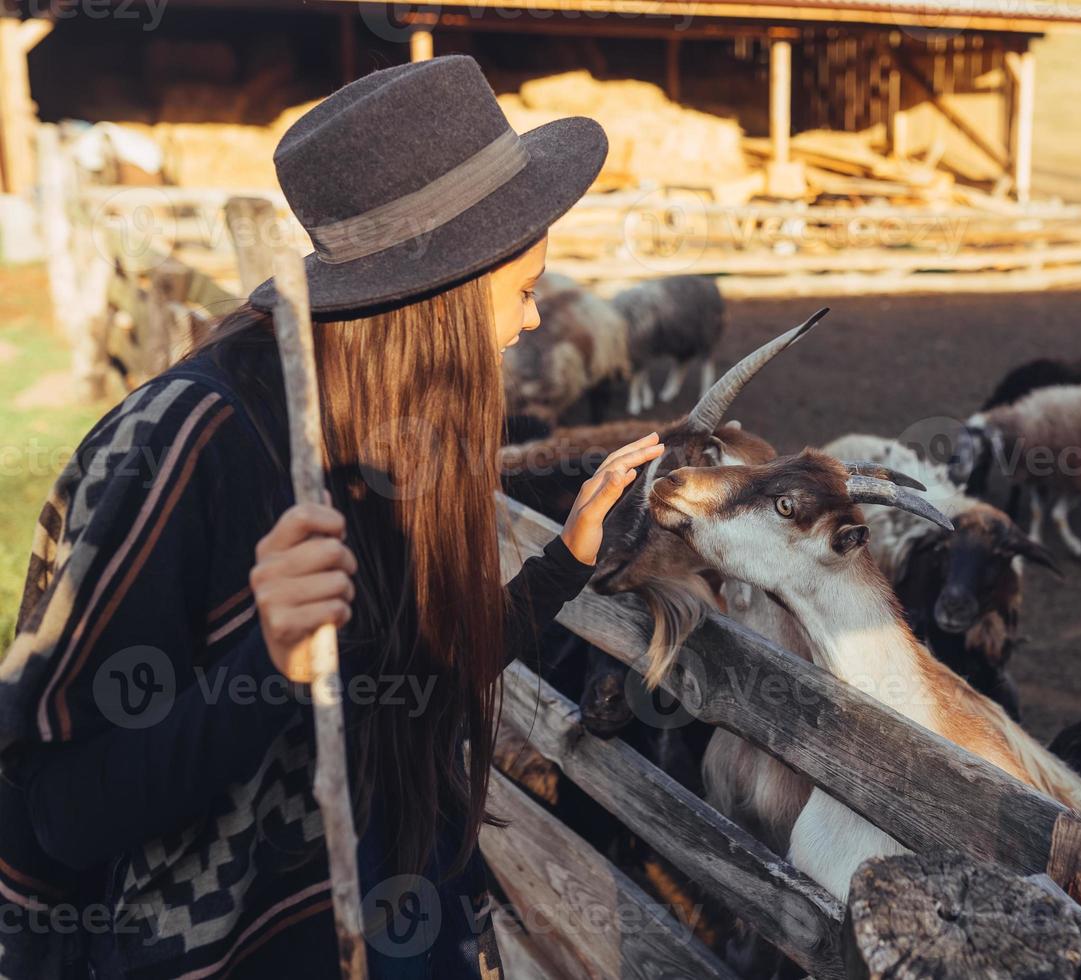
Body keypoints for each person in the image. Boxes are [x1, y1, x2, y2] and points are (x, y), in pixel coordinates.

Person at [0, 56, 656, 978]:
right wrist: (263, 666)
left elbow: (412, 675)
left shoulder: (394, 434)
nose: (537, 319)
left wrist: (564, 563)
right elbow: (59, 812)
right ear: (444, 298)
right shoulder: (183, 449)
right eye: (521, 289)